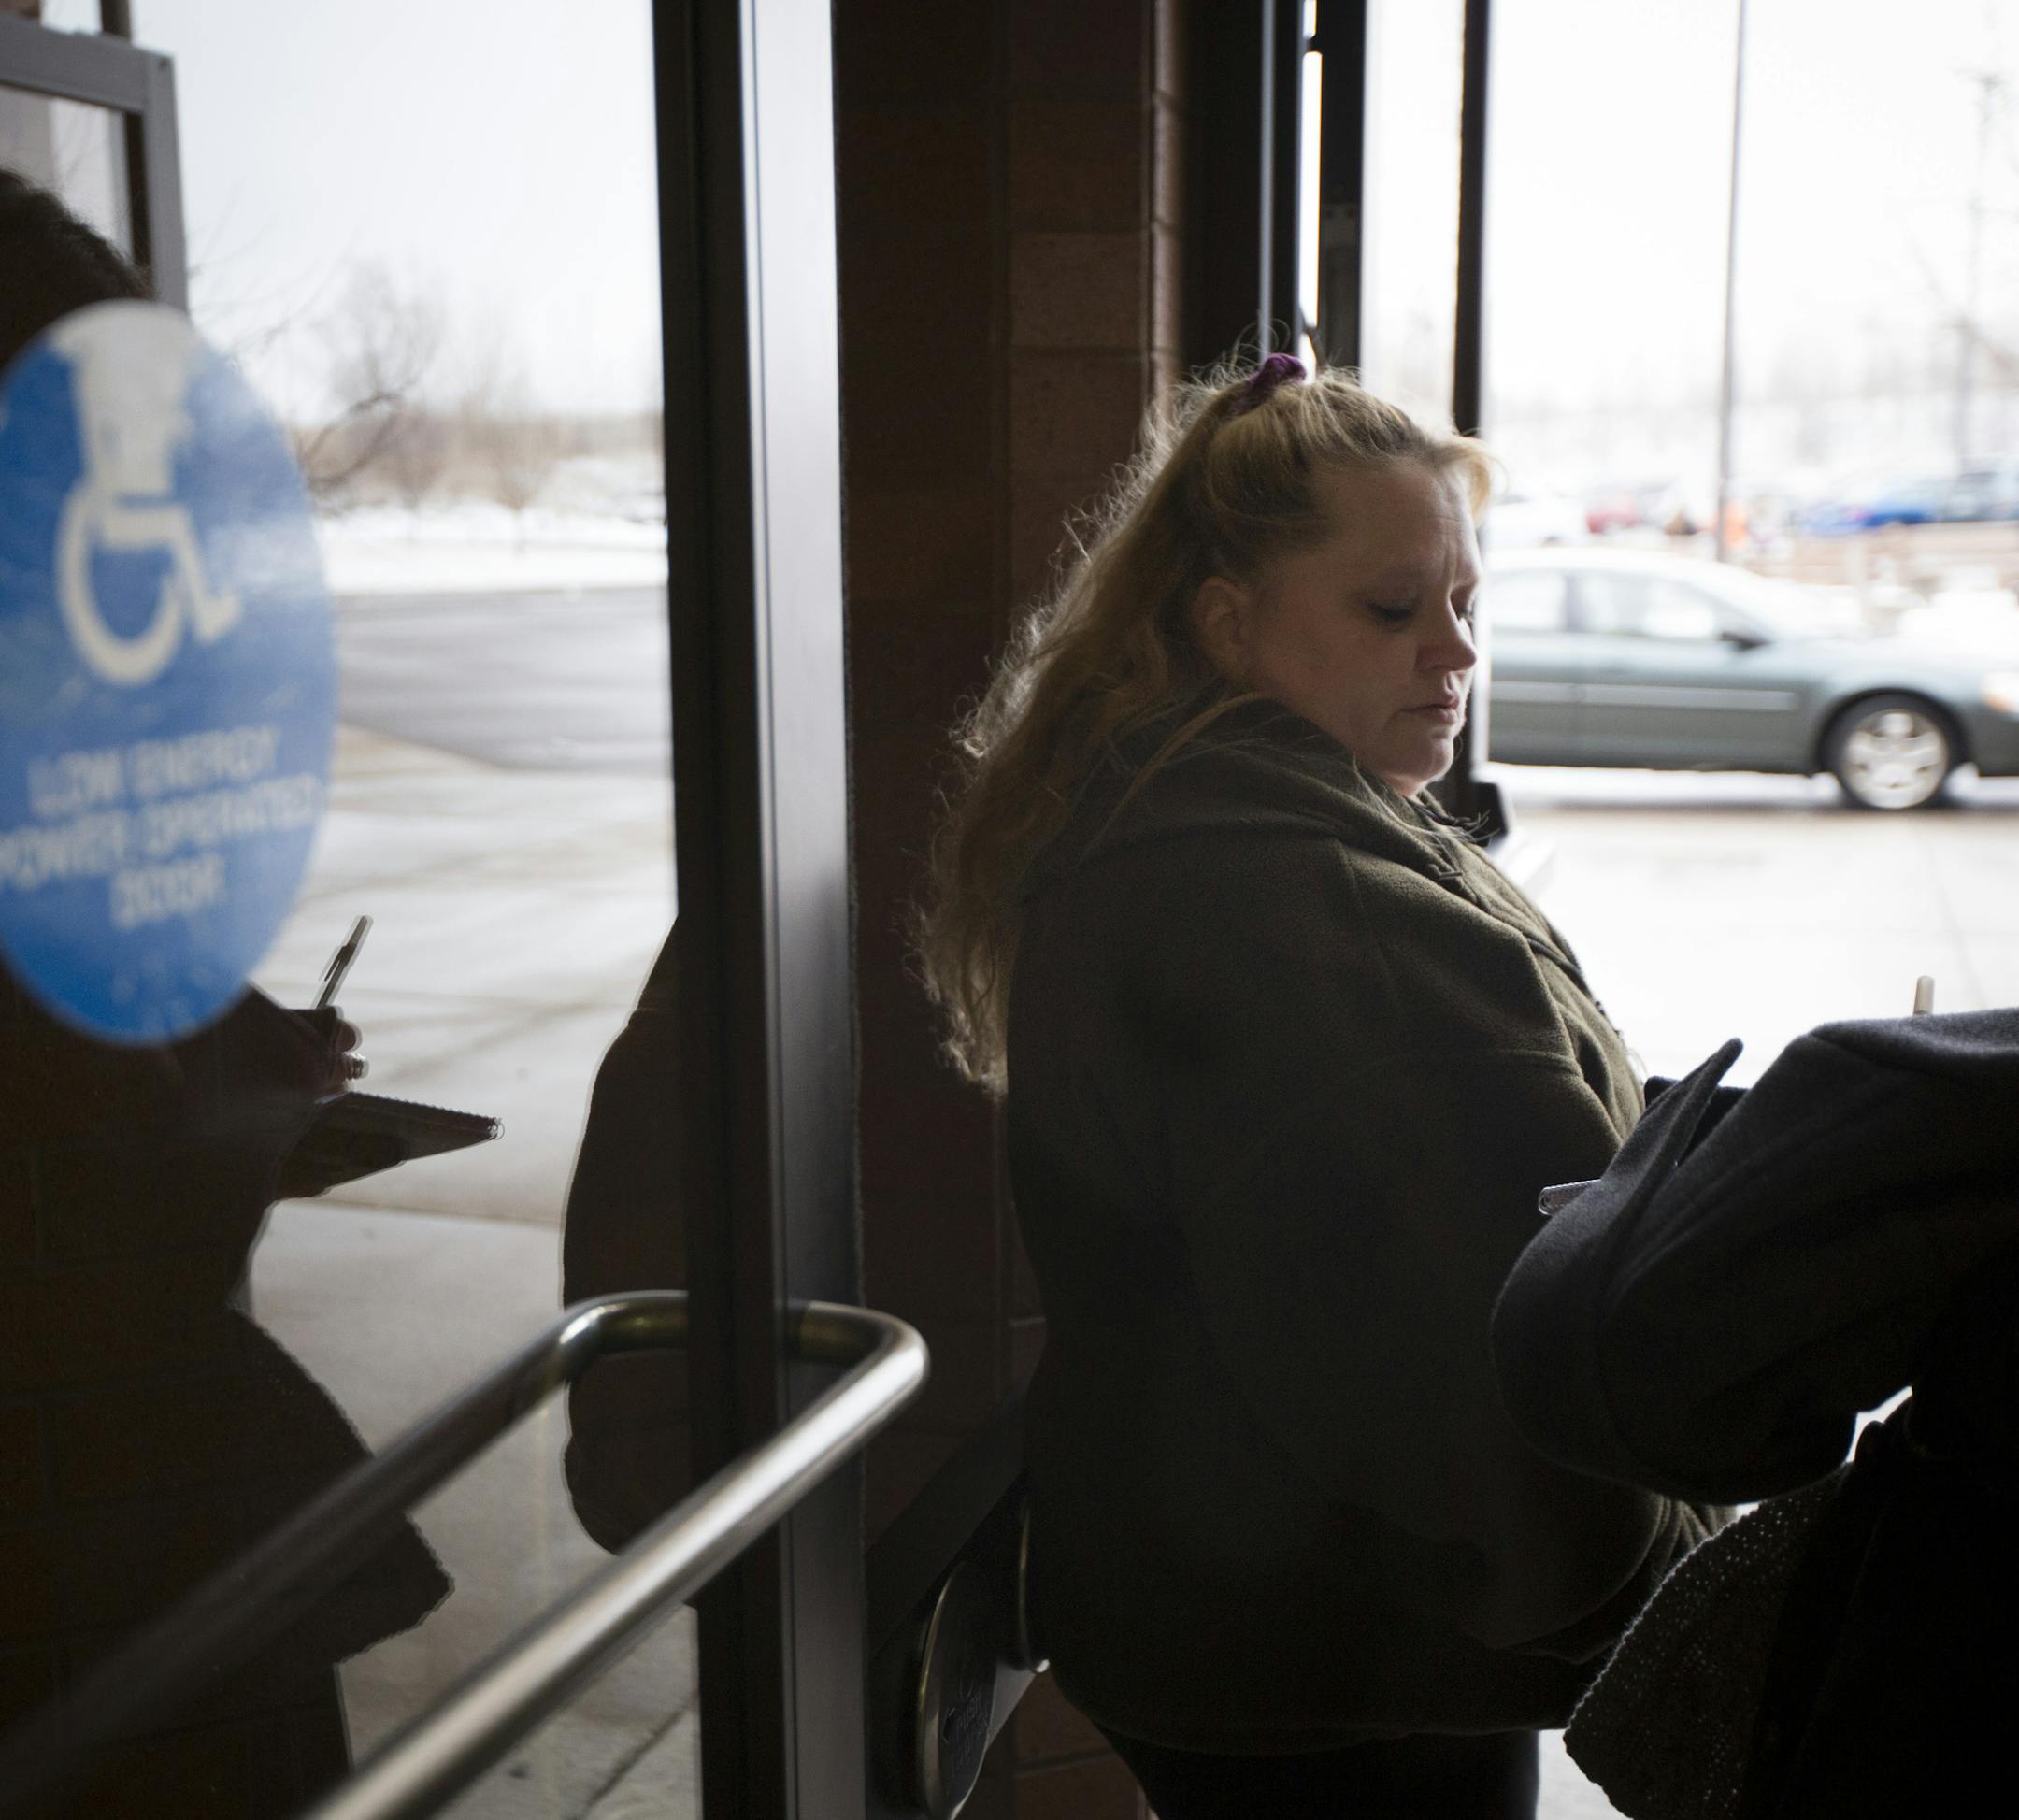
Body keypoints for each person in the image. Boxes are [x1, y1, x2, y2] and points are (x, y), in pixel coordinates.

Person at [917, 355, 1722, 1819]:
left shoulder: (1214, 823)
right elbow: (1494, 1422)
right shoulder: (1300, 912)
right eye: (1392, 608)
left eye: (1467, 603)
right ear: (1230, 625)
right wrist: (1678, 1569)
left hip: (1252, 1630)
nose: (1454, 652)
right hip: (1351, 1666)